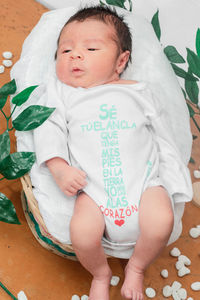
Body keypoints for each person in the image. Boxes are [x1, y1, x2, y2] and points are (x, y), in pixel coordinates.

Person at [33, 5, 192, 300]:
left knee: (161, 220)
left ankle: (137, 267)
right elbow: (47, 127)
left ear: (121, 61)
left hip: (144, 185)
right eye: (65, 51)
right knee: (81, 232)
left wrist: (171, 173)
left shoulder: (138, 91)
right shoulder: (63, 94)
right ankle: (100, 273)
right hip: (93, 192)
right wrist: (59, 167)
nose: (75, 55)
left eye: (91, 48)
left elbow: (163, 133)